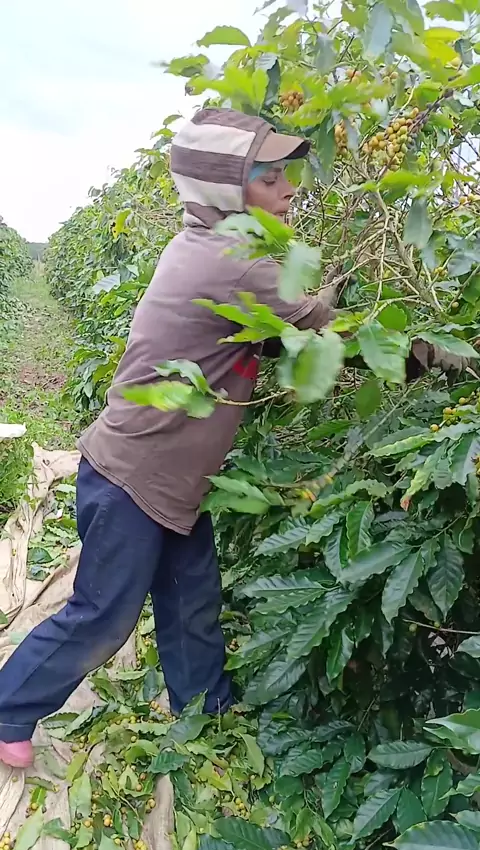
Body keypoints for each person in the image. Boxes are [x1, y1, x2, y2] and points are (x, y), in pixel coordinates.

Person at [0, 108, 466, 768]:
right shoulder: (231, 263)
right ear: (225, 194)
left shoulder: (207, 247)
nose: (289, 190)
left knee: (190, 597)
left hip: (169, 479)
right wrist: (436, 354)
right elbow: (327, 332)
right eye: (269, 178)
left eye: (286, 176)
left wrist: (323, 302)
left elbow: (276, 332)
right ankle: (8, 709)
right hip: (135, 479)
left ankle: (205, 709)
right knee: (103, 614)